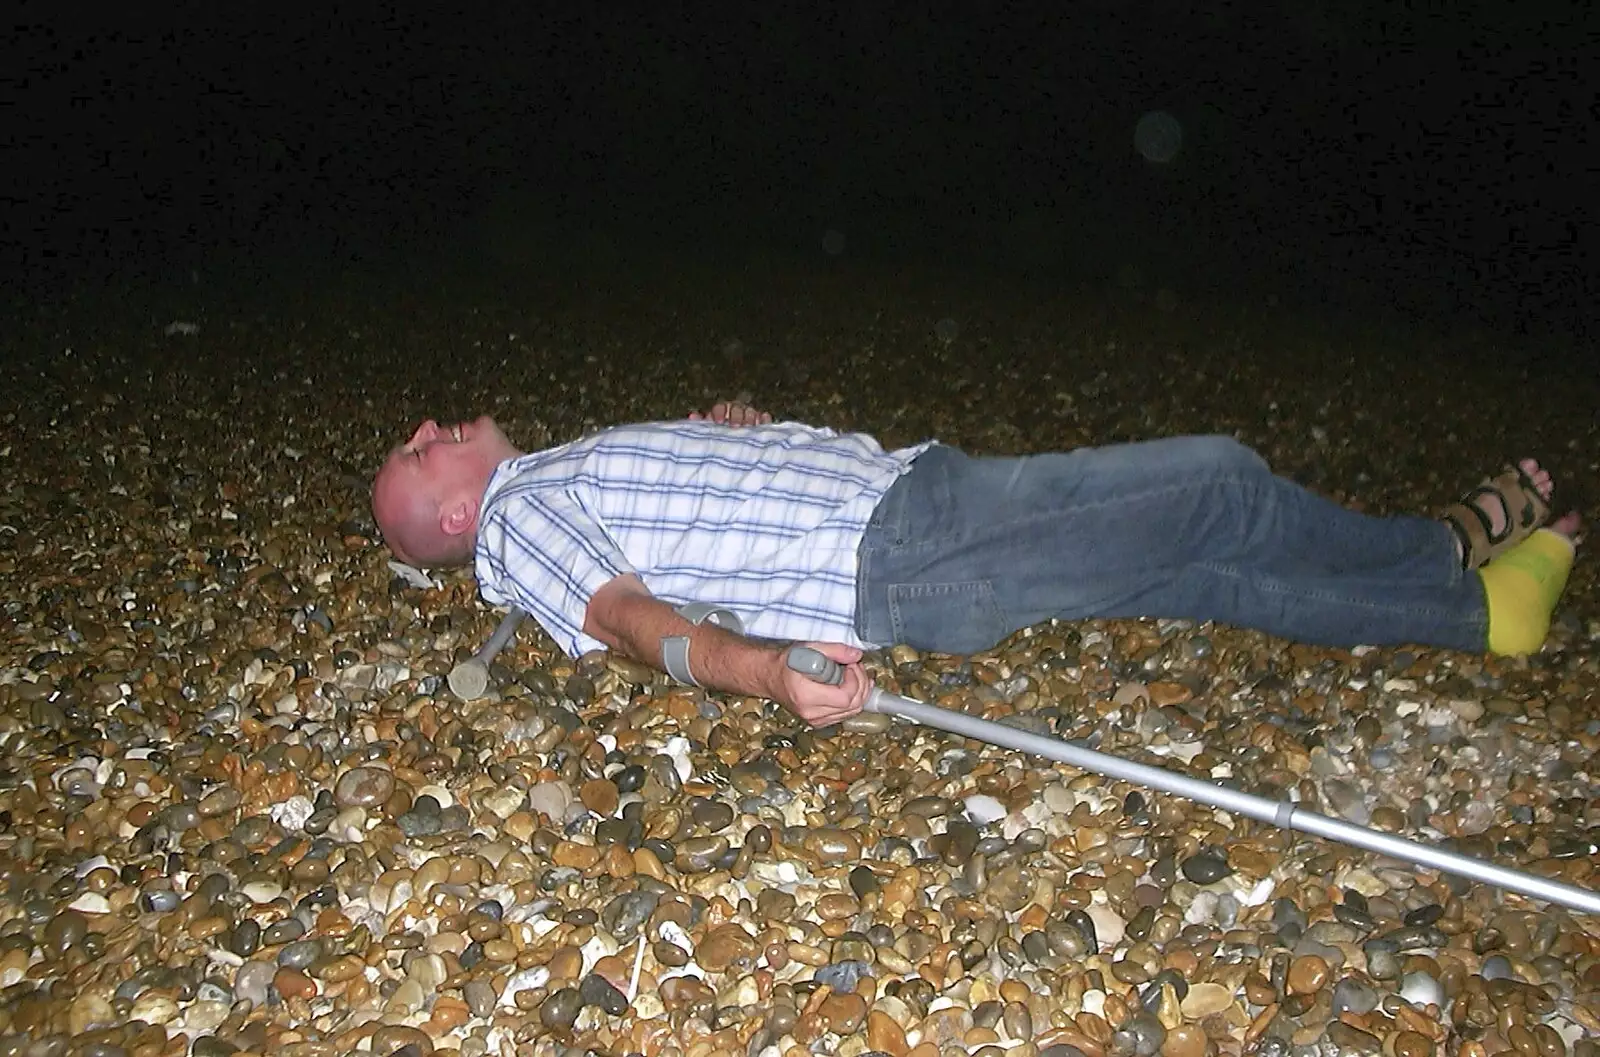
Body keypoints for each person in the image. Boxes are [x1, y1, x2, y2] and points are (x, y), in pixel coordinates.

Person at [371, 402, 1580, 727]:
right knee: (1215, 478)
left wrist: (727, 430)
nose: (431, 431)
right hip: (907, 546)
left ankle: (1476, 617)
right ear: (455, 517)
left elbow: (676, 537)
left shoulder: (555, 472)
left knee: (1199, 569)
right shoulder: (522, 519)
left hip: (907, 510)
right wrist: (762, 672)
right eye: (418, 458)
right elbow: (632, 619)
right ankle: (1443, 546)